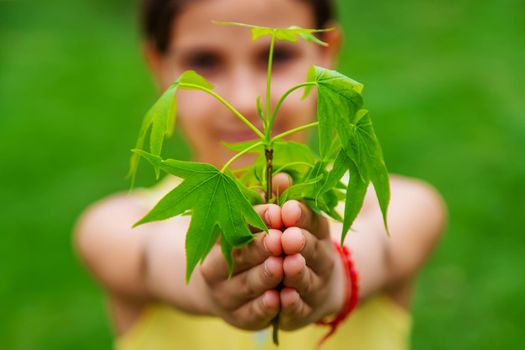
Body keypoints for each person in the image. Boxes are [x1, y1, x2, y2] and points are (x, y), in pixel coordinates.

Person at [74, 0, 447, 349]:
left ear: (327, 53)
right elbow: (151, 259)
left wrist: (333, 280)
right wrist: (212, 286)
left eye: (278, 55)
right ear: (158, 66)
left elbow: (381, 249)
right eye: (204, 61)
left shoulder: (404, 206)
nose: (242, 100)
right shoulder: (115, 226)